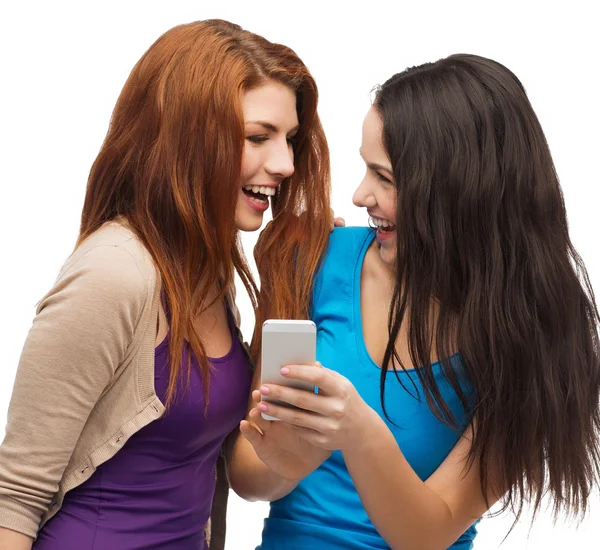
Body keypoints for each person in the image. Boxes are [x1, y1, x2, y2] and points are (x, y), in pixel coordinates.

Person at [230, 54, 600, 549]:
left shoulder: (538, 333)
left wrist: (359, 433)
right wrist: (285, 460)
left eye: (384, 178)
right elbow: (248, 476)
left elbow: (427, 534)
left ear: (458, 191)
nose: (360, 196)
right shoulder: (314, 260)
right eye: (366, 169)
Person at [0, 19, 332, 550]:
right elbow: (14, 498)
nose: (287, 164)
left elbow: (238, 472)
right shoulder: (113, 273)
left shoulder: (206, 269)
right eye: (258, 137)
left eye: (290, 139)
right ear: (185, 136)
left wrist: (288, 280)